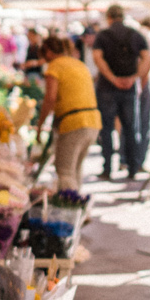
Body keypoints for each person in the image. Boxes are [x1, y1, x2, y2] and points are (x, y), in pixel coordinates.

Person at [91, 3, 150, 180]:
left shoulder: (102, 35)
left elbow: (97, 59)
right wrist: (135, 77)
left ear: (109, 17)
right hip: (129, 87)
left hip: (107, 88)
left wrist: (112, 78)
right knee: (131, 128)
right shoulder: (135, 34)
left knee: (107, 128)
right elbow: (147, 58)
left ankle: (107, 168)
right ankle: (132, 166)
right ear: (123, 17)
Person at [35, 35, 100, 192]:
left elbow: (50, 98)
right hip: (93, 121)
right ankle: (79, 209)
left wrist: (40, 125)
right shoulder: (78, 64)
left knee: (64, 171)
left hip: (73, 122)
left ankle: (68, 211)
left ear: (49, 52)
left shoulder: (55, 67)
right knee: (75, 169)